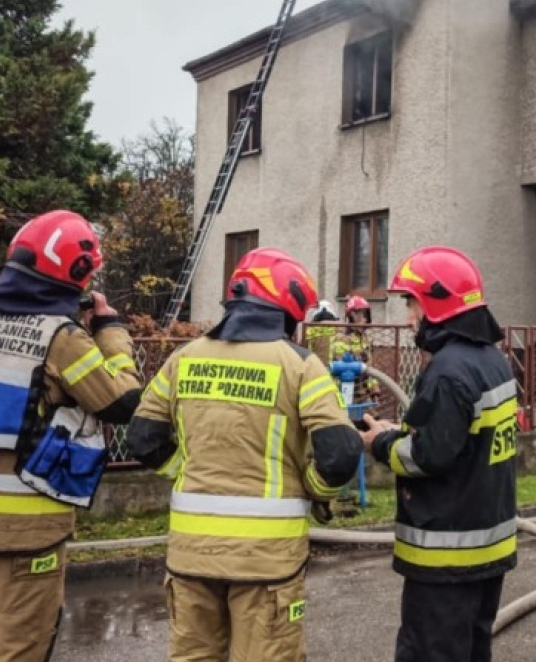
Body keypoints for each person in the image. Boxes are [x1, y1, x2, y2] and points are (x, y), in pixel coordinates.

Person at [126, 247, 362, 661]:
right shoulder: (301, 366)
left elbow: (143, 437)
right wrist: (310, 487)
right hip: (266, 562)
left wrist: (185, 469)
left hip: (191, 553)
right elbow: (341, 454)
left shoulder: (184, 359)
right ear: (288, 308)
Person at [0, 209, 142, 662]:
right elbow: (122, 403)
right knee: (19, 642)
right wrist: (111, 332)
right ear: (75, 273)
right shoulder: (62, 338)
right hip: (30, 525)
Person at [360, 246, 518, 662]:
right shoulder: (492, 361)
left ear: (437, 303)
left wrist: (378, 441)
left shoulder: (448, 370)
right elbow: (464, 439)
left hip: (446, 554)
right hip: (487, 549)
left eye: (412, 304)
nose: (410, 317)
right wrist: (406, 430)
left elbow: (428, 458)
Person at [331, 295, 380, 515]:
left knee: (364, 436)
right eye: (360, 314)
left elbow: (370, 367)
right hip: (344, 395)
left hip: (362, 396)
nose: (363, 318)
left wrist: (374, 390)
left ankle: (360, 490)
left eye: (365, 314)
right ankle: (342, 491)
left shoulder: (366, 339)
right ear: (351, 315)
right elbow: (343, 361)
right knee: (345, 438)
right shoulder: (341, 337)